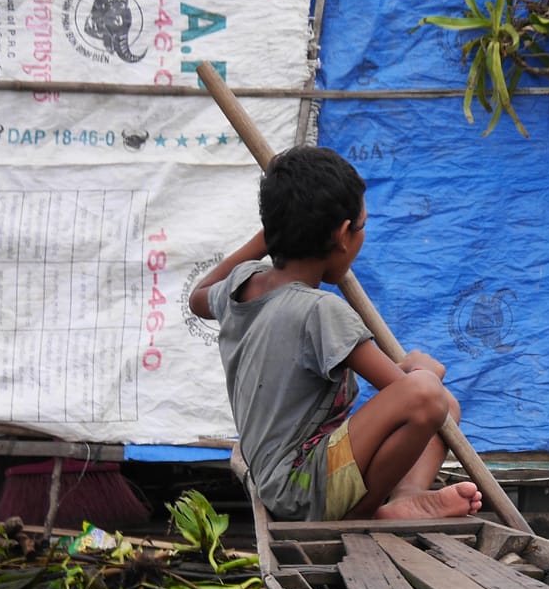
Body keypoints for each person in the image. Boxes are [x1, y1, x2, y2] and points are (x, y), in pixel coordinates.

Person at [189, 145, 483, 523]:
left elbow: (198, 296)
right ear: (343, 235)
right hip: (302, 490)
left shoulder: (240, 285)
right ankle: (373, 511)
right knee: (431, 394)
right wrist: (426, 370)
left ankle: (408, 496)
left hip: (292, 477)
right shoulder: (320, 310)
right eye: (361, 225)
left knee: (445, 405)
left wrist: (269, 236)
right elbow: (412, 394)